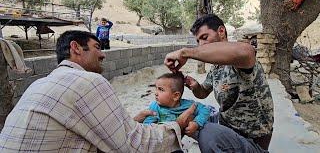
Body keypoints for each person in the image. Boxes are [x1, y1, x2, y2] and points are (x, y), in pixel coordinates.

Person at [0, 30, 195, 152]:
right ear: (75, 48)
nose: (102, 54)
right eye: (97, 48)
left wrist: (132, 121)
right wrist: (177, 125)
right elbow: (134, 145)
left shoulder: (39, 83)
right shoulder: (88, 80)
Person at [164, 14, 274, 152]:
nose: (201, 45)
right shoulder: (216, 67)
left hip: (252, 140)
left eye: (204, 38)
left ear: (221, 31)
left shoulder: (239, 60)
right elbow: (203, 92)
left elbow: (247, 51)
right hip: (227, 130)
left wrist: (185, 52)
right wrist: (195, 85)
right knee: (184, 120)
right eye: (198, 41)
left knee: (208, 134)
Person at [143, 72, 217, 136]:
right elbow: (147, 127)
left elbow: (205, 109)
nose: (156, 93)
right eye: (156, 88)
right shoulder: (154, 107)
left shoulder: (189, 106)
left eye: (161, 89)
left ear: (176, 96)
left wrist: (196, 123)